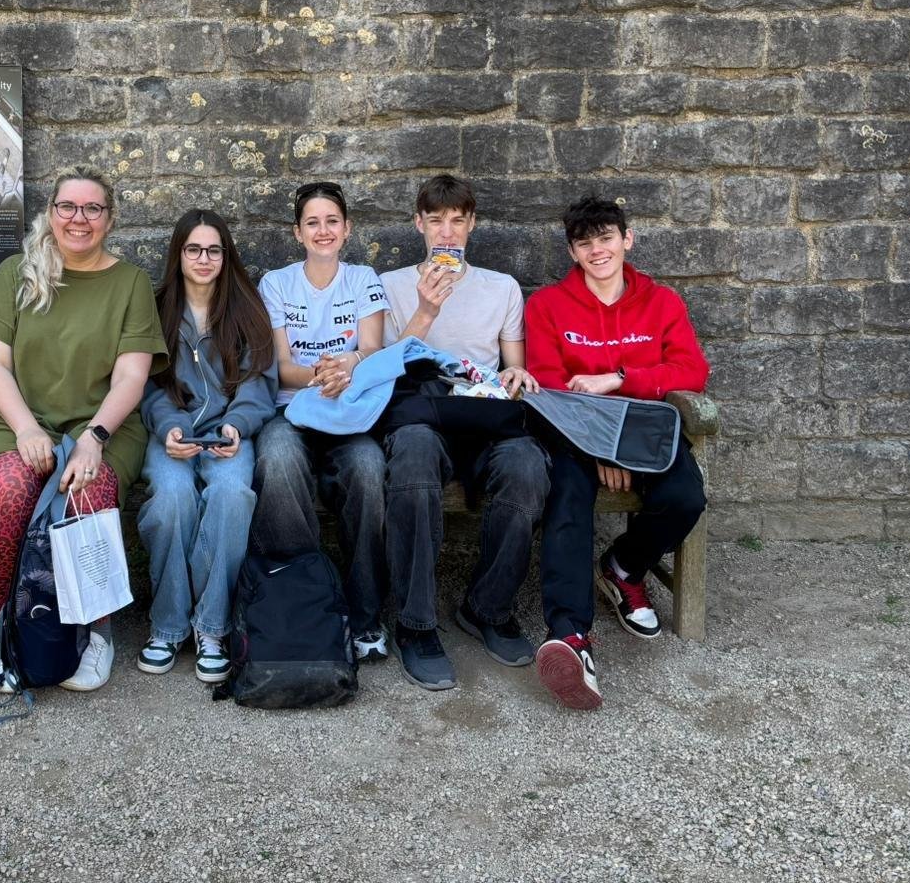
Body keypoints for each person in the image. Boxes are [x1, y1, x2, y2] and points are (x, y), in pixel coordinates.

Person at [0, 168, 168, 692]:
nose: (79, 219)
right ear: (52, 212)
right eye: (68, 207)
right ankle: (4, 625)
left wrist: (93, 439)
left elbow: (131, 377)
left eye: (92, 208)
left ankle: (95, 630)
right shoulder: (16, 273)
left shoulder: (129, 283)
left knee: (87, 494)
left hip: (103, 424)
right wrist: (25, 429)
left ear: (110, 218)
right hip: (19, 419)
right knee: (7, 489)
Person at [527, 195, 710, 710]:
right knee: (567, 501)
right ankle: (570, 636)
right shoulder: (546, 306)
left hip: (645, 431)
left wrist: (620, 378)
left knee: (685, 498)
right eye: (584, 243)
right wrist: (601, 447)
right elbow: (547, 385)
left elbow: (692, 371)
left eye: (606, 238)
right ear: (572, 251)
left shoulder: (661, 302)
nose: (597, 250)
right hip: (577, 436)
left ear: (626, 239)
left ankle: (624, 567)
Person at [376, 175, 550, 691]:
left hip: (484, 413)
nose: (447, 233)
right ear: (419, 225)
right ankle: (415, 623)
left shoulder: (501, 287)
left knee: (527, 467)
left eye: (457, 221)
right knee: (411, 458)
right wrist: (426, 308)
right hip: (420, 412)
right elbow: (383, 368)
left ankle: (487, 607)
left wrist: (516, 374)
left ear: (472, 224)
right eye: (436, 221)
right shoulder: (389, 285)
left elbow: (514, 367)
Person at [252, 180, 391, 663]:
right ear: (298, 232)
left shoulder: (363, 278)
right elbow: (280, 365)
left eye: (332, 220)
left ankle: (365, 616)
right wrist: (321, 374)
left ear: (347, 228)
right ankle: (304, 602)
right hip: (292, 407)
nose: (323, 230)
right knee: (275, 459)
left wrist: (347, 367)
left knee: (369, 470)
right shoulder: (276, 283)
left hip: (349, 410)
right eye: (312, 222)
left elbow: (372, 350)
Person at [136, 210, 276, 684]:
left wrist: (237, 425)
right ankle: (168, 626)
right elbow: (147, 384)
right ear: (178, 255)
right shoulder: (155, 309)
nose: (203, 259)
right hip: (171, 432)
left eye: (214, 250)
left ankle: (212, 627)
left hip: (229, 433)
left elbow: (258, 381)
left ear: (226, 255)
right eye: (193, 249)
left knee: (232, 496)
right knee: (171, 499)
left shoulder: (248, 308)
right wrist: (168, 428)